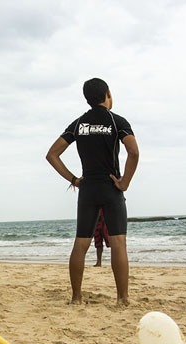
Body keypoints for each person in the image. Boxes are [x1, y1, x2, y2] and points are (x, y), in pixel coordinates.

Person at [45, 78, 139, 305]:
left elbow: (52, 155)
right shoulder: (117, 122)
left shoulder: (78, 124)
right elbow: (133, 152)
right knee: (118, 243)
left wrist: (74, 179)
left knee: (81, 243)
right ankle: (122, 299)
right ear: (107, 94)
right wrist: (124, 182)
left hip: (88, 188)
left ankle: (76, 298)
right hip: (110, 187)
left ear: (87, 99)